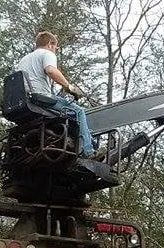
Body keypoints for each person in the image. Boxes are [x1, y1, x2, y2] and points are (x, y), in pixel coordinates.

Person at [14, 31, 100, 159]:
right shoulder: (47, 54)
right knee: (79, 112)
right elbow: (51, 70)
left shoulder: (24, 60)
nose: (55, 50)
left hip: (24, 101)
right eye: (55, 47)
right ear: (50, 44)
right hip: (40, 98)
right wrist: (69, 87)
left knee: (65, 113)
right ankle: (88, 151)